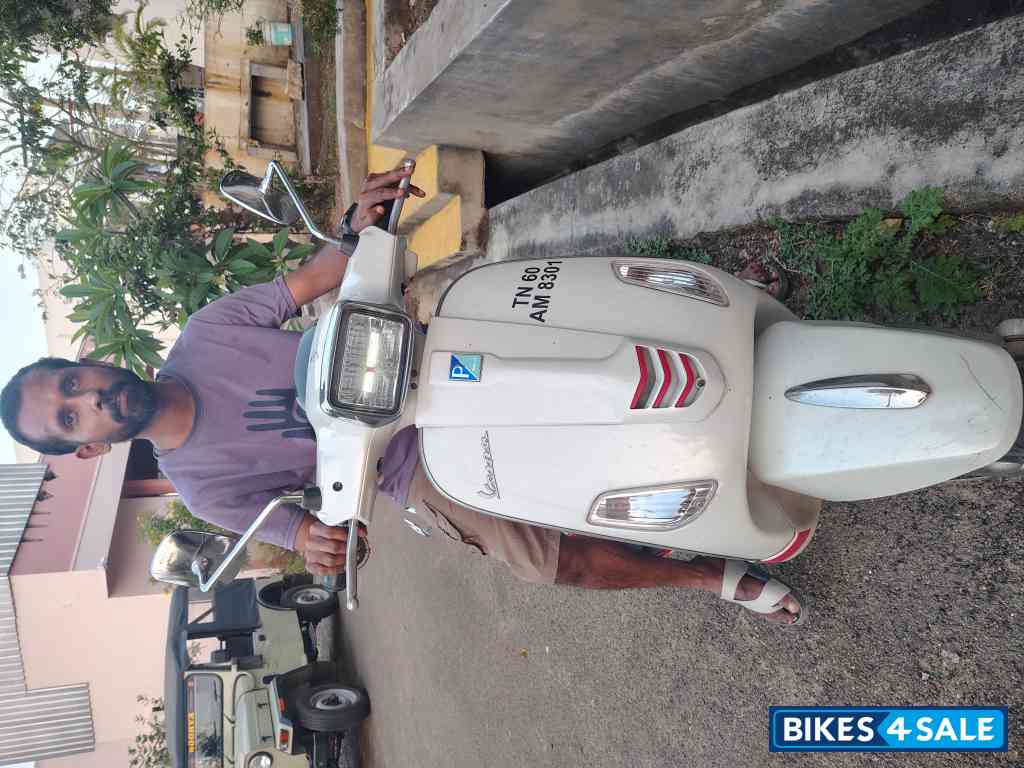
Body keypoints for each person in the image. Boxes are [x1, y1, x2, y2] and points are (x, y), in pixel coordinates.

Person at [1, 167, 804, 625]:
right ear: (88, 446)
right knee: (548, 564)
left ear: (90, 362)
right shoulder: (205, 490)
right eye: (71, 417)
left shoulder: (207, 331)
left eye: (73, 383)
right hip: (409, 463)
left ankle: (707, 304)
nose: (90, 401)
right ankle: (705, 577)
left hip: (422, 354)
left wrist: (358, 225)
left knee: (545, 294)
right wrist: (323, 543)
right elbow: (310, 532)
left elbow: (320, 275)